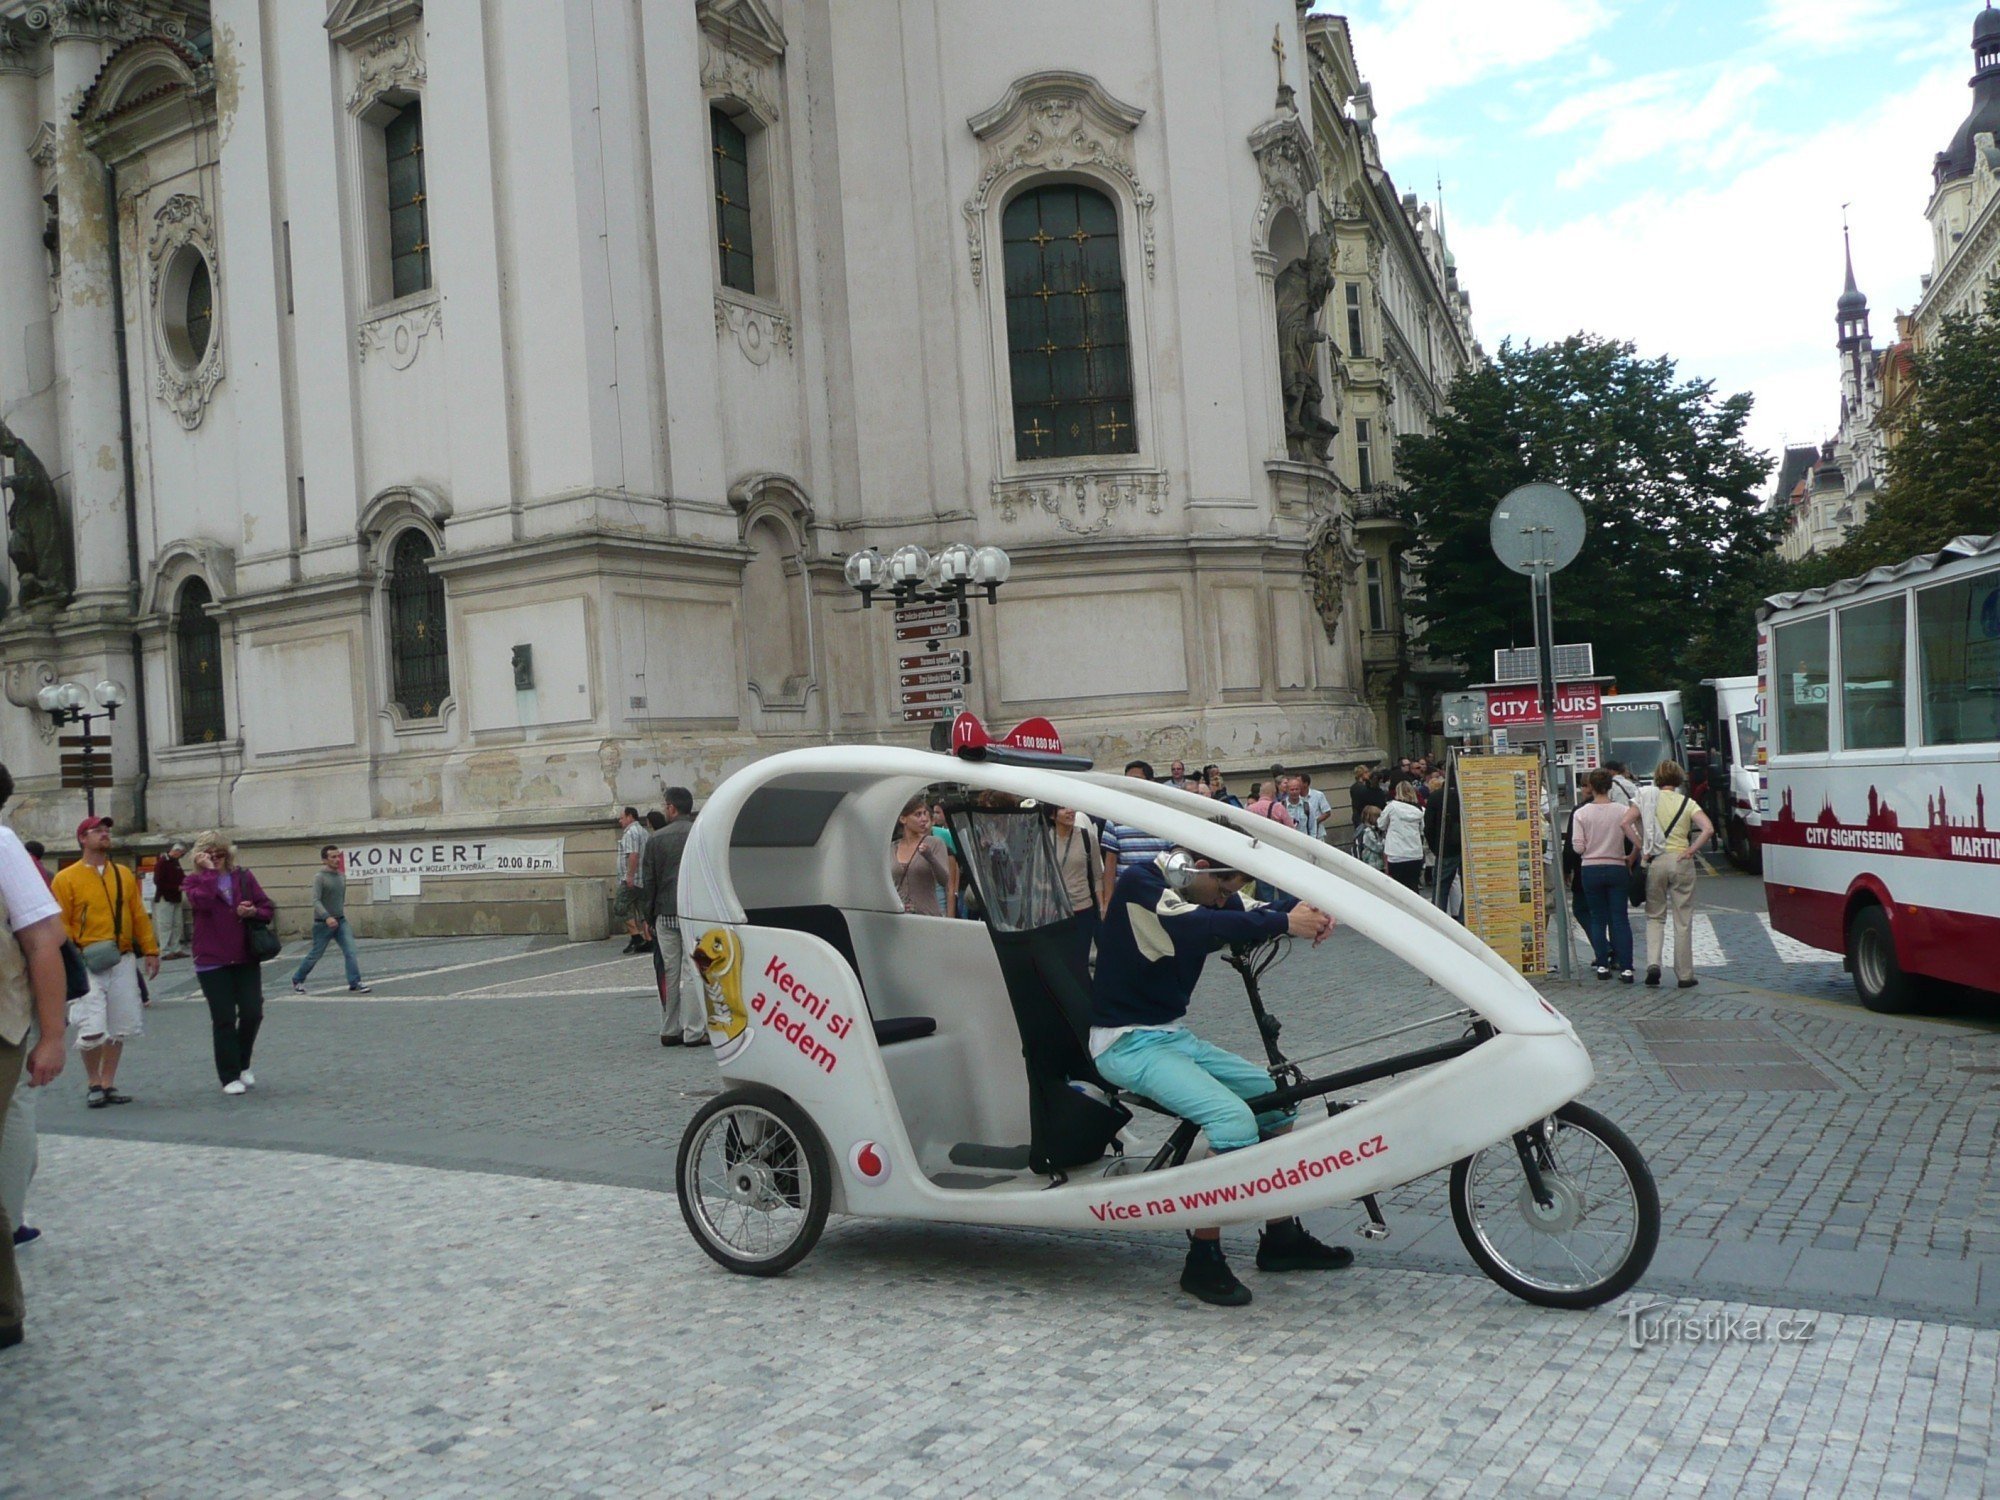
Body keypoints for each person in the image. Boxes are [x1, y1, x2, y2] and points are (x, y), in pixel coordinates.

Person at [1089, 848, 1346, 1306]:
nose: (1227, 898)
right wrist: (1286, 923)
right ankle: (1202, 1257)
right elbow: (1194, 924)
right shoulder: (1142, 884)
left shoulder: (1210, 890)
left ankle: (1280, 1236)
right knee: (1232, 1123)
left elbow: (1258, 912)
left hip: (1172, 1038)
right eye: (1225, 887)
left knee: (1277, 1099)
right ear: (1199, 869)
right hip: (1123, 1043)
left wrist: (1310, 914)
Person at [0, 765, 69, 1353]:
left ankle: (2, 1311)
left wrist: (52, 1035)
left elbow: (45, 938)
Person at [51, 816, 159, 1108]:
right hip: (87, 960)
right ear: (82, 838)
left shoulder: (123, 873)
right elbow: (62, 921)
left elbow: (138, 914)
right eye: (97, 830)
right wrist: (75, 954)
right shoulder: (66, 878)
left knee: (119, 1023)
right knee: (92, 1025)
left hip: (121, 957)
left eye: (106, 830)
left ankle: (108, 1082)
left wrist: (151, 949)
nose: (105, 834)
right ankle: (92, 1082)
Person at [182, 831, 277, 1095]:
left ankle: (243, 1062)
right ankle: (228, 1075)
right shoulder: (193, 882)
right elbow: (201, 902)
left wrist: (253, 911)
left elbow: (267, 907)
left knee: (252, 1011)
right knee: (223, 1018)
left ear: (229, 853)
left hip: (245, 955)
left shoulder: (244, 877)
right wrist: (210, 873)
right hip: (211, 959)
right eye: (209, 855)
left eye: (220, 854)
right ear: (199, 858)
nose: (216, 859)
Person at [1639, 760, 1714, 989]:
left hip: (1656, 860)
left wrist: (1643, 844)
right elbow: (1708, 829)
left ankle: (1653, 963)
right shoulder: (1687, 802)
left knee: (1655, 915)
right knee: (1682, 918)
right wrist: (1691, 850)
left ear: (1657, 778)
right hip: (1681, 860)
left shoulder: (1648, 800)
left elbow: (1625, 822)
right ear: (1679, 779)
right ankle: (1684, 974)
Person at [641, 787, 704, 1046]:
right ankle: (693, 1031)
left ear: (671, 808)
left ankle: (668, 1028)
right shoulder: (701, 834)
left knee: (669, 971)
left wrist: (647, 916)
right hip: (693, 912)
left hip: (665, 913)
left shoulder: (656, 839)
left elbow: (649, 881)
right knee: (692, 971)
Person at [1570, 770, 1642, 982]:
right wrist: (1631, 856)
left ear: (1590, 786)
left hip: (1591, 868)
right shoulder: (1622, 810)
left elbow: (1578, 848)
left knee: (1598, 918)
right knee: (1620, 918)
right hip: (1617, 865)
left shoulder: (1581, 814)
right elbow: (1636, 838)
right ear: (1610, 786)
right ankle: (1627, 968)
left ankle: (1602, 965)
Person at [290, 845, 369, 994]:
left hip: (341, 921)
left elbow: (339, 899)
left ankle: (355, 982)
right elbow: (316, 900)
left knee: (350, 951)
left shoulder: (342, 876)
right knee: (316, 954)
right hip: (323, 924)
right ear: (324, 860)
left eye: (338, 856)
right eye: (332, 857)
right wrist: (326, 917)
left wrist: (338, 915)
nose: (336, 859)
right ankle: (297, 979)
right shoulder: (319, 877)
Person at [1098, 761, 1173, 907]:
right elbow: (1110, 864)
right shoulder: (1115, 817)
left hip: (1160, 897)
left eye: (1137, 781)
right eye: (1128, 781)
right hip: (1127, 898)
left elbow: (1175, 854)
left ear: (1151, 783)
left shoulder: (1167, 817)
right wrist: (1108, 902)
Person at [1052, 806, 1103, 967]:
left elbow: (1097, 876)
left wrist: (1101, 906)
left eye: (1071, 806)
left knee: (1080, 962)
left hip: (1083, 909)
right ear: (1052, 815)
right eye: (1062, 808)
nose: (1069, 811)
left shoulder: (1087, 838)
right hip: (1054, 911)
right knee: (1059, 962)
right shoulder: (1044, 839)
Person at [890, 795, 955, 918]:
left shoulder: (935, 843)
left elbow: (944, 880)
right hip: (899, 918)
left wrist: (930, 857)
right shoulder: (892, 848)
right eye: (918, 815)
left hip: (927, 915)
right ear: (903, 819)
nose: (924, 819)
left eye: (925, 814)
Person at [1422, 769, 1463, 916]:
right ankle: (1464, 918)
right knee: (1468, 887)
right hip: (1466, 848)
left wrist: (1435, 848)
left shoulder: (1436, 797)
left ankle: (1438, 919)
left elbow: (1428, 827)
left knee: (1441, 887)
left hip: (1445, 848)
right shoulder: (1466, 796)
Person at [1377, 783, 1426, 891]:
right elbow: (1422, 828)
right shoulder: (1420, 810)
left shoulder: (1392, 807)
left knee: (1398, 888)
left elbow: (1381, 824)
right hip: (1415, 853)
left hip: (1396, 853)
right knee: (1413, 885)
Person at [614, 807, 650, 954]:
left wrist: (629, 875)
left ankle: (636, 937)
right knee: (641, 910)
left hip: (632, 879)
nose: (620, 821)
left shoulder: (631, 833)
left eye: (622, 818)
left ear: (630, 816)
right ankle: (649, 939)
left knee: (620, 907)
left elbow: (633, 855)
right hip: (642, 878)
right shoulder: (644, 832)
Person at [150, 841, 188, 958]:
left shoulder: (175, 862)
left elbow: (181, 877)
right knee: (165, 924)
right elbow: (158, 881)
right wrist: (176, 887)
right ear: (176, 851)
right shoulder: (162, 862)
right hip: (165, 897)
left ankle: (176, 948)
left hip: (176, 897)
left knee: (177, 924)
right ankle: (165, 950)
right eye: (181, 853)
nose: (182, 856)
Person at [1295, 772, 1334, 842]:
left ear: (1305, 784)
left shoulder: (1318, 795)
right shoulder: (1295, 798)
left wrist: (1314, 822)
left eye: (1298, 782)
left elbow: (1327, 812)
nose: (1296, 784)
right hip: (1301, 834)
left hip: (1318, 834)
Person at [1349, 763, 1386, 829]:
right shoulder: (1360, 787)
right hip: (1361, 815)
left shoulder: (1356, 786)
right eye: (1366, 772)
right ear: (1361, 774)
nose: (1368, 774)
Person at [1352, 804, 1386, 871]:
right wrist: (1386, 841)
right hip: (1373, 864)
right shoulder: (1368, 832)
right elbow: (1378, 847)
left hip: (1374, 863)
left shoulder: (1370, 829)